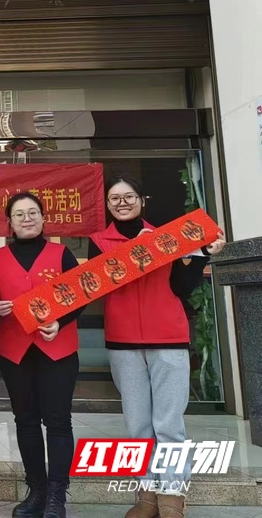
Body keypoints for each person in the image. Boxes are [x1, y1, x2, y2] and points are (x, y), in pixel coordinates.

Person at [89, 176, 225, 518]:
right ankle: (146, 495)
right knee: (137, 425)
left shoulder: (168, 238)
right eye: (114, 198)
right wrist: (135, 253)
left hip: (169, 338)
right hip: (123, 342)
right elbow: (98, 288)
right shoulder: (98, 241)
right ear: (106, 205)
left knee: (168, 424)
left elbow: (182, 287)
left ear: (141, 200)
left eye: (128, 196)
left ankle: (173, 496)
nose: (122, 203)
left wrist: (202, 256)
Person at [0, 193, 83, 518]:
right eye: (19, 214)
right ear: (10, 223)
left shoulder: (62, 253)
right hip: (15, 351)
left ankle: (58, 495)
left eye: (33, 213)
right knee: (26, 421)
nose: (27, 218)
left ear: (44, 219)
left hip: (57, 349)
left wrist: (61, 321)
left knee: (58, 421)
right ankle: (37, 491)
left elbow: (82, 294)